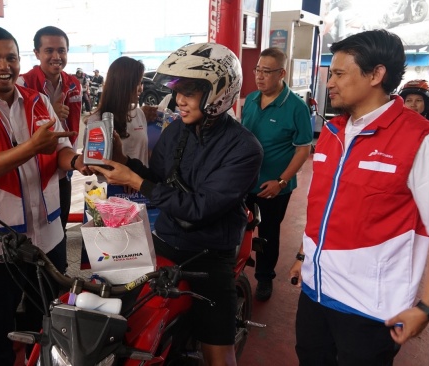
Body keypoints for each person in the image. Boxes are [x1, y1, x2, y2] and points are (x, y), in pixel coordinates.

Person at [289, 30, 429, 364]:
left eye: (340, 74)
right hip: (316, 292)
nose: (330, 83)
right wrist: (302, 255)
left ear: (376, 74)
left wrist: (426, 307)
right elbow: (321, 208)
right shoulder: (332, 133)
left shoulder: (422, 140)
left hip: (371, 307)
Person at [91, 42, 263, 366]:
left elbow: (199, 208)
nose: (179, 99)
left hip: (209, 255)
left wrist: (135, 180)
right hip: (165, 239)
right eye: (178, 89)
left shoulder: (245, 148)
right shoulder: (176, 133)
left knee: (220, 355)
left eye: (191, 91)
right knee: (112, 306)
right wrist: (122, 161)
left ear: (219, 92)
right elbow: (158, 179)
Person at [0, 25, 91, 366]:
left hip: (48, 235)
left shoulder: (37, 101)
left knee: (47, 313)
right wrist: (31, 148)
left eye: (10, 57)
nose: (3, 65)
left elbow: (61, 149)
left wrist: (79, 162)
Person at [241, 47, 313, 302]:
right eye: (257, 70)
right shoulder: (249, 100)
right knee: (238, 226)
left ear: (281, 73)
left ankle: (264, 278)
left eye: (266, 72)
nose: (259, 76)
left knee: (268, 233)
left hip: (274, 185)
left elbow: (303, 149)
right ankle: (236, 269)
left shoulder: (296, 107)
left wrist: (281, 181)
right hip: (244, 180)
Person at [17, 25, 83, 245]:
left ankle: (59, 268)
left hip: (64, 162)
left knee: (60, 222)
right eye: (49, 51)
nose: (56, 56)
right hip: (35, 166)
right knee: (33, 227)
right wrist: (51, 110)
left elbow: (74, 124)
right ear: (37, 53)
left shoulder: (74, 84)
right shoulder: (23, 83)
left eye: (62, 51)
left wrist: (74, 158)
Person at [88, 56, 148, 164]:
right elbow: (95, 163)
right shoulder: (97, 120)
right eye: (138, 83)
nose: (141, 89)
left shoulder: (139, 114)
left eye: (141, 83)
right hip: (115, 180)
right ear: (123, 85)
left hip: (142, 179)